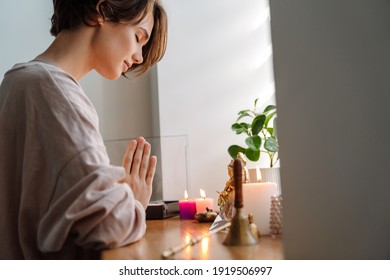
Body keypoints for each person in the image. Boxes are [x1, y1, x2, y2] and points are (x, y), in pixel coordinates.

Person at [0, 0, 167, 259]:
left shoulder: (15, 81)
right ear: (101, 11)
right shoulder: (55, 93)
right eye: (138, 37)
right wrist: (133, 201)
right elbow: (107, 224)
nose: (139, 56)